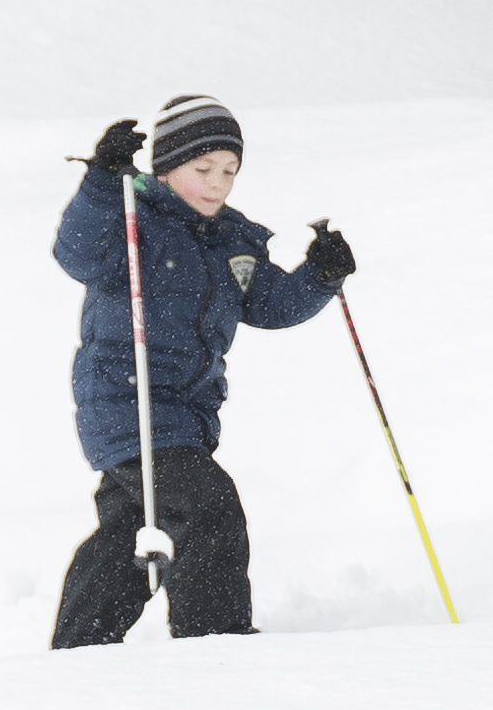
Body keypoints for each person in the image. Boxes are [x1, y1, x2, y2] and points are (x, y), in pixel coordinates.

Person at [50, 94, 355, 644]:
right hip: (128, 404)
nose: (218, 183)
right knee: (209, 507)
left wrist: (319, 276)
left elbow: (270, 305)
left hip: (188, 415)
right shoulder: (129, 218)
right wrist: (101, 181)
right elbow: (78, 253)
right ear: (165, 169)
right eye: (203, 168)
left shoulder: (232, 240)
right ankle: (215, 639)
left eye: (230, 171)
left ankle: (80, 645)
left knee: (128, 531)